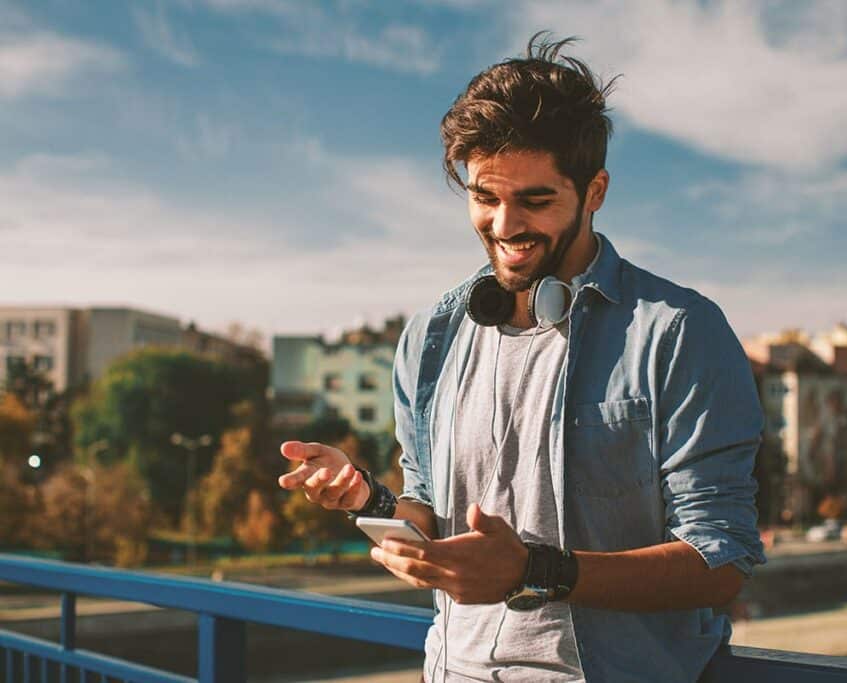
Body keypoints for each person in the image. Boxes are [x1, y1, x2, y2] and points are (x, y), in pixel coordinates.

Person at [279, 33, 765, 682]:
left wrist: (538, 570)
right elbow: (430, 510)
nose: (505, 226)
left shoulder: (679, 332)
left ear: (594, 191)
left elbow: (721, 562)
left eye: (535, 200)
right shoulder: (428, 339)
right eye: (485, 197)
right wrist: (367, 496)